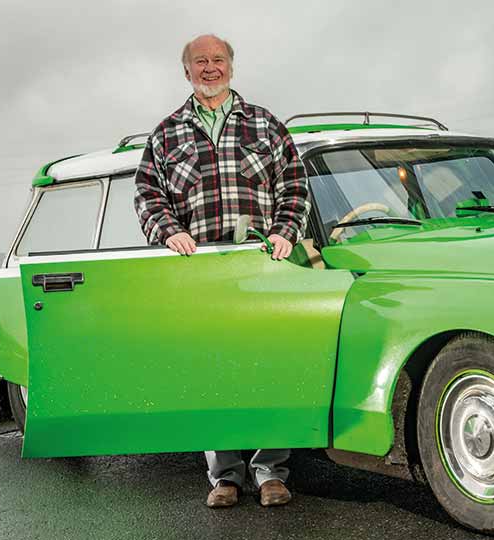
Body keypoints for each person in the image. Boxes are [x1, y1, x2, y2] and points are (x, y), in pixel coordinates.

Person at [133, 34, 309, 508]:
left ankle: (271, 471)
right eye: (199, 62)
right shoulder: (166, 133)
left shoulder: (265, 125)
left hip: (261, 267)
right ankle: (225, 477)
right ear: (186, 71)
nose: (210, 68)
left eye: (218, 60)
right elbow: (148, 194)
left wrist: (287, 231)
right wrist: (167, 230)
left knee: (267, 366)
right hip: (201, 273)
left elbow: (294, 183)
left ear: (231, 66)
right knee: (212, 371)